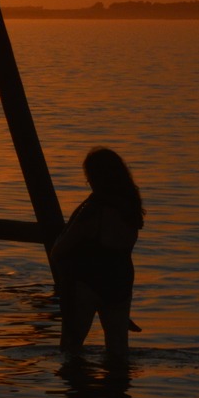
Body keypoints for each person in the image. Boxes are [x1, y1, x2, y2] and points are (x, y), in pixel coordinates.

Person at [52, 146, 144, 359]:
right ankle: (117, 389)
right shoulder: (130, 209)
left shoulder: (93, 210)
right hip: (120, 284)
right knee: (118, 350)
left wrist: (65, 285)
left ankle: (78, 388)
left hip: (87, 283)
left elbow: (59, 250)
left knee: (71, 348)